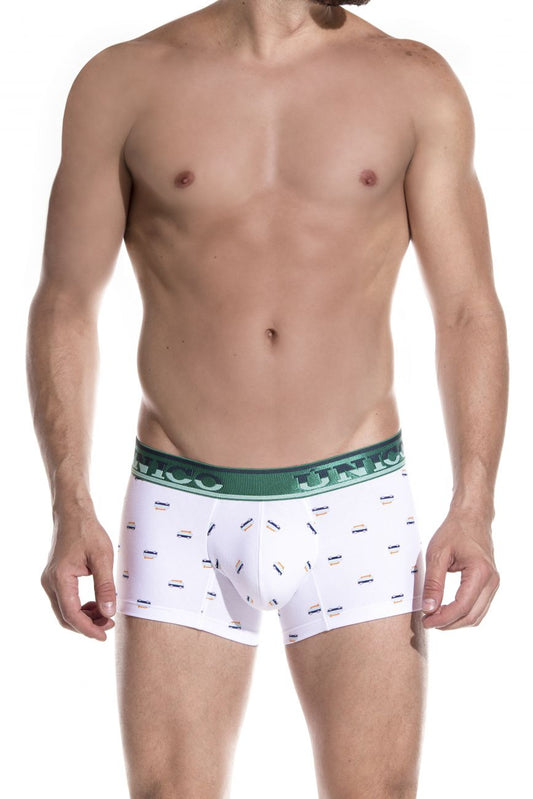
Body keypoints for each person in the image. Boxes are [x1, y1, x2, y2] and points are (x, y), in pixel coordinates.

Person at [26, 1, 508, 796]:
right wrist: (68, 502)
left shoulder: (412, 83)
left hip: (356, 501)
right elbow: (66, 301)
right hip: (181, 506)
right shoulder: (124, 82)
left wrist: (475, 504)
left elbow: (466, 308)